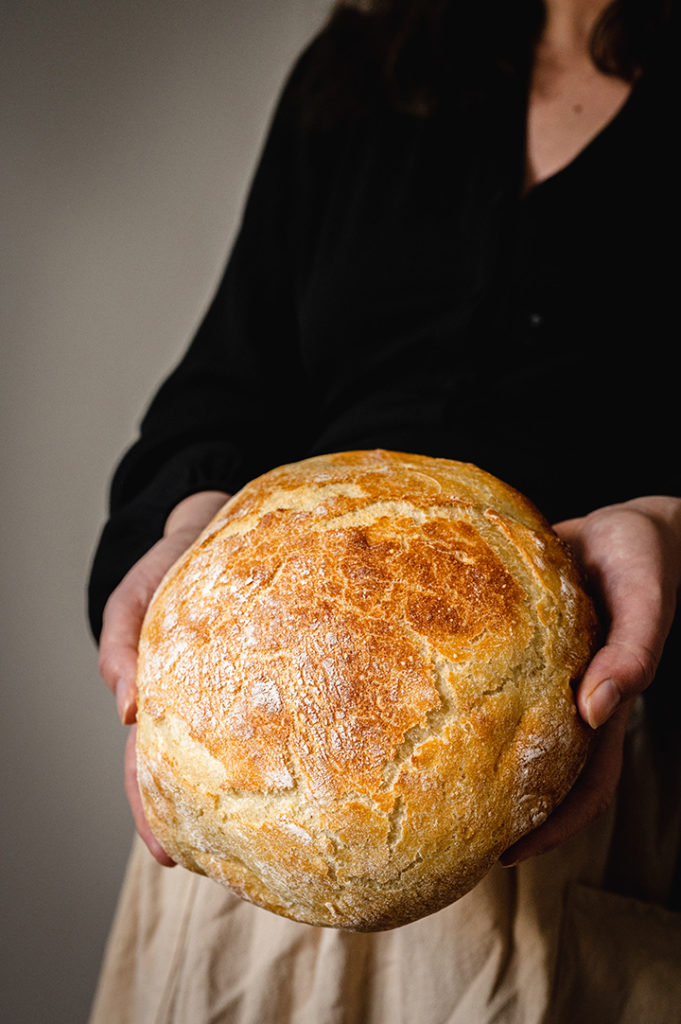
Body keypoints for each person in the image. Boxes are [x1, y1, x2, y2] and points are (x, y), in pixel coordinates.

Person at [88, 0, 681, 1020]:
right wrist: (185, 524)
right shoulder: (367, 65)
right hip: (258, 825)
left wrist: (672, 529)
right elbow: (222, 388)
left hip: (601, 817)